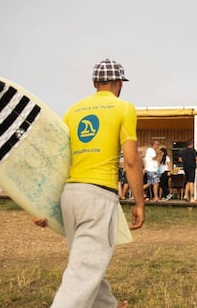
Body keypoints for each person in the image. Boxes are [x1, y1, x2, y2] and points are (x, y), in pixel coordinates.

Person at [46, 58, 145, 308]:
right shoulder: (124, 108)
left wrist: (44, 204)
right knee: (83, 271)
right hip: (98, 196)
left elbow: (57, 160)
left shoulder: (73, 111)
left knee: (86, 260)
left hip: (70, 196)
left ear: (94, 83)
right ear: (120, 83)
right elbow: (131, 161)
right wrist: (139, 203)